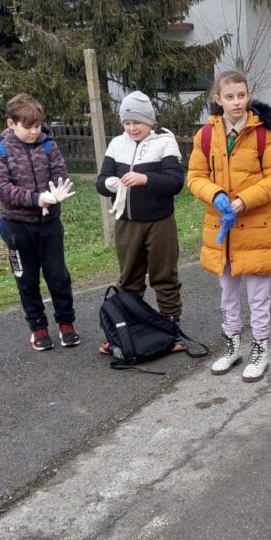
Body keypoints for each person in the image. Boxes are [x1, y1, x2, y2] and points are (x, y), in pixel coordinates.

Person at [187, 70, 271, 382]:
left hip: (256, 229)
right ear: (218, 99)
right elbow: (194, 177)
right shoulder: (205, 136)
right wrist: (215, 194)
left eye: (241, 96)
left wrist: (244, 200)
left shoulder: (262, 134)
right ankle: (232, 345)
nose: (236, 102)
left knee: (258, 297)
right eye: (229, 97)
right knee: (227, 294)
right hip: (223, 233)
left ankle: (261, 348)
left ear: (249, 95)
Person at [95, 91, 186, 355]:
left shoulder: (165, 143)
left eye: (138, 122)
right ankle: (129, 329)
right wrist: (109, 184)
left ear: (150, 122)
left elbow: (175, 182)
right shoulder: (116, 144)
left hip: (160, 223)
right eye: (127, 122)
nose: (132, 127)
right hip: (127, 223)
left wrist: (146, 180)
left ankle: (171, 329)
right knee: (129, 279)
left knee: (164, 275)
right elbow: (102, 181)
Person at [0, 93, 80, 352]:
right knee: (27, 279)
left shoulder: (49, 145)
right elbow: (1, 188)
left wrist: (56, 192)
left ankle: (67, 324)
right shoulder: (0, 151)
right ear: (11, 124)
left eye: (37, 126)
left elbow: (60, 173)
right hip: (17, 226)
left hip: (50, 224)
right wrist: (35, 198)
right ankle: (38, 328)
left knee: (58, 275)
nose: (33, 132)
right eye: (27, 127)